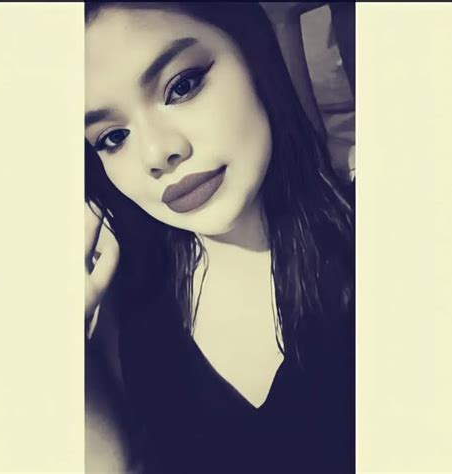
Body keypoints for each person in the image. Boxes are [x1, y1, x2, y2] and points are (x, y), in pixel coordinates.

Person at [84, 2, 355, 473]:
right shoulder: (128, 304)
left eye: (182, 86)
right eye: (113, 137)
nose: (157, 153)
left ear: (252, 52)